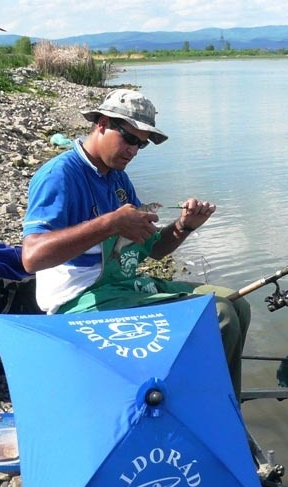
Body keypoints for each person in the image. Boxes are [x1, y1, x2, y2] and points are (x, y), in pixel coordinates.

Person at [20, 89, 250, 396]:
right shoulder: (60, 176)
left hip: (123, 286)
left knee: (236, 303)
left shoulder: (117, 178)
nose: (134, 150)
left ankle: (224, 405)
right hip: (80, 299)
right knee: (219, 315)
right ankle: (192, 402)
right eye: (130, 138)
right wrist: (110, 223)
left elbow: (154, 249)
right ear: (101, 123)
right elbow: (31, 257)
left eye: (141, 144)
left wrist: (184, 226)